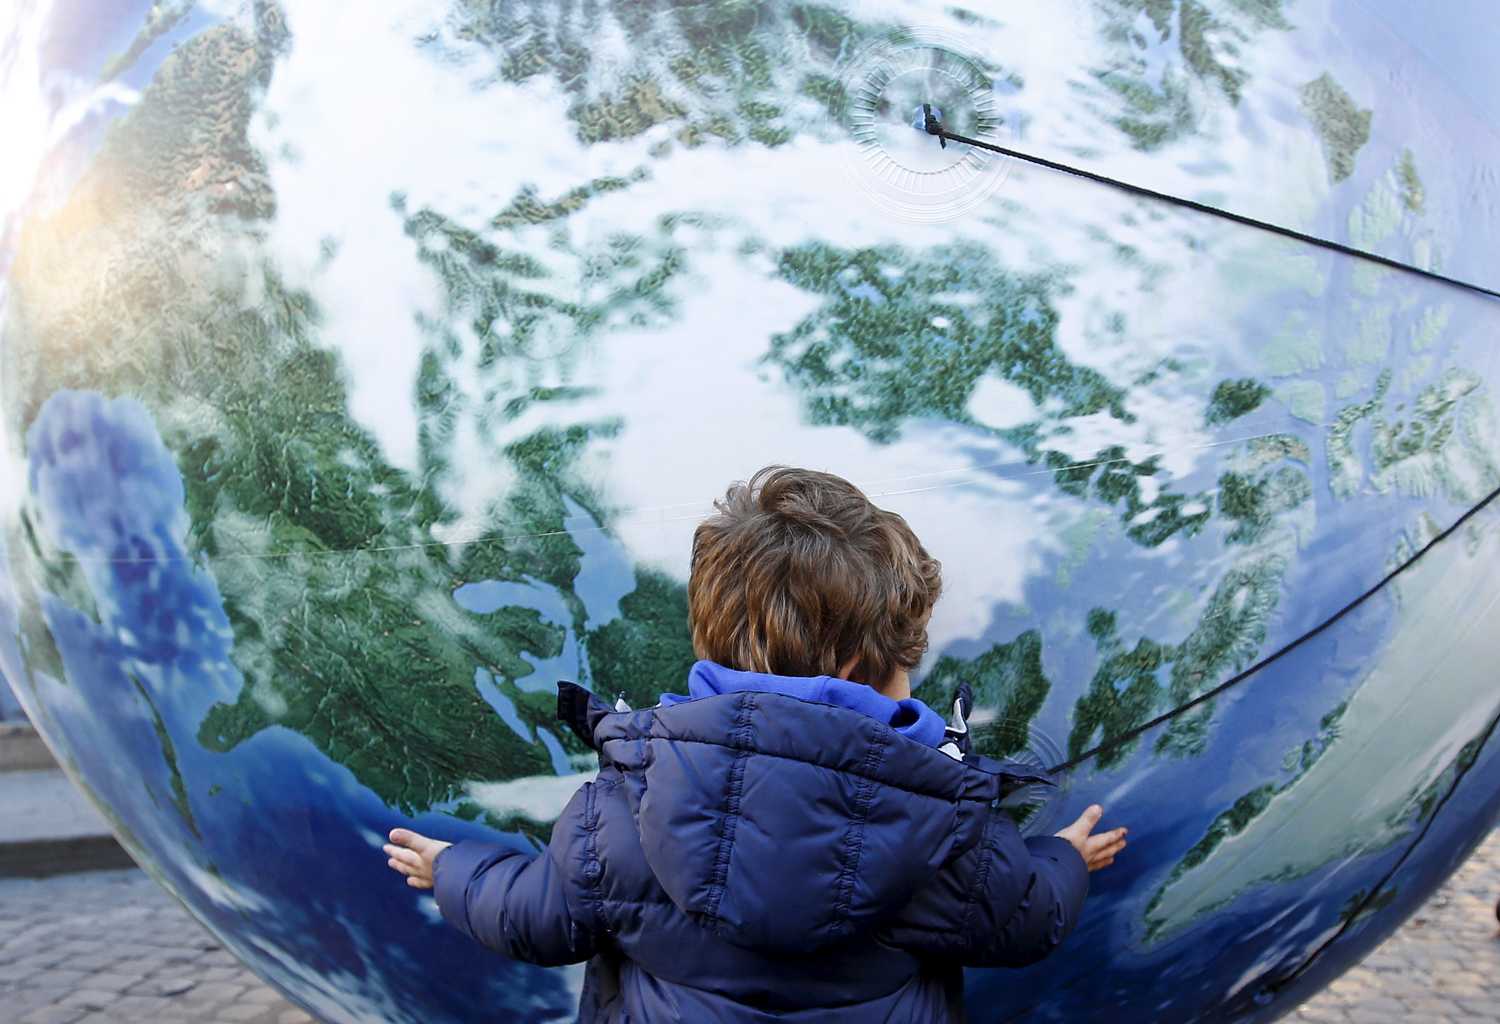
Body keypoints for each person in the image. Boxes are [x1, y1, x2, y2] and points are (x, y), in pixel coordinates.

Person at [384, 466, 1127, 1022]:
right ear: (856, 671)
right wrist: (1067, 855)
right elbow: (1030, 921)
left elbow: (533, 917)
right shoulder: (951, 835)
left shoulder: (621, 810)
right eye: (908, 662)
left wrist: (454, 868)